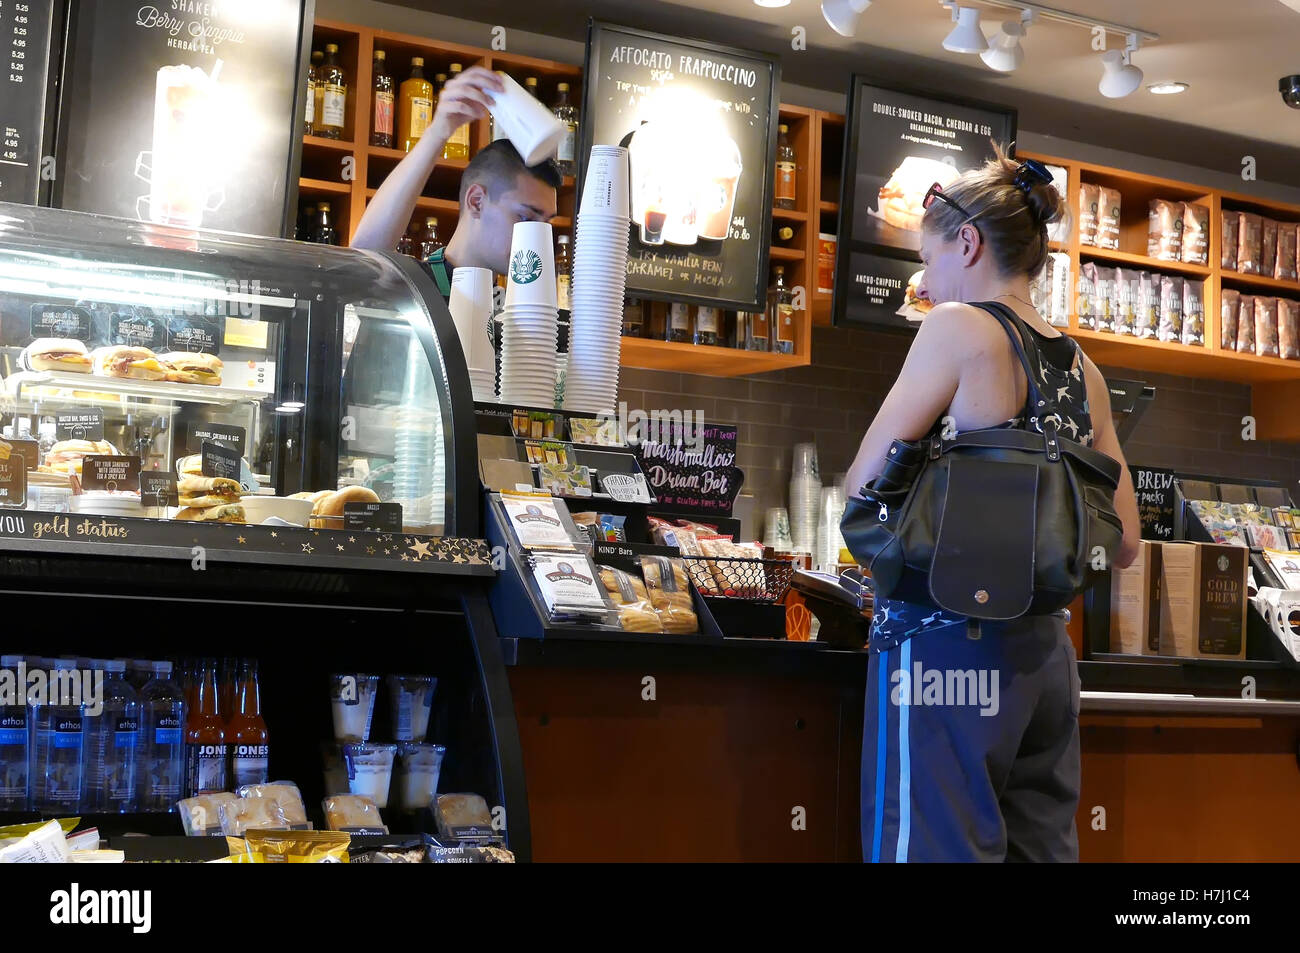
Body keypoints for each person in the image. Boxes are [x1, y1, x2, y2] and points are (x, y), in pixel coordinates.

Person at [844, 145, 1140, 863]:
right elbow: (1125, 540)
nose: (928, 277)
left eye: (930, 256)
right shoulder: (1083, 366)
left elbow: (859, 484)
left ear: (968, 243)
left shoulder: (956, 327)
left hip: (947, 645)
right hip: (1046, 657)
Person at [351, 66, 561, 297]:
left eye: (544, 226)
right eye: (525, 218)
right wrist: (438, 133)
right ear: (477, 201)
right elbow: (364, 259)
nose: (537, 241)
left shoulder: (518, 310)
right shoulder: (412, 288)